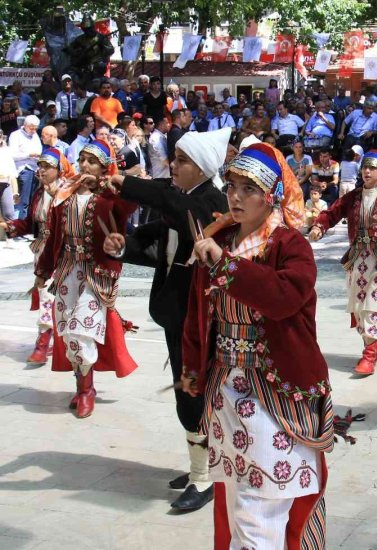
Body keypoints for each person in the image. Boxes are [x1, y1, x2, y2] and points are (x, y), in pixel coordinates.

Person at [179, 142, 333, 549]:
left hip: (274, 389)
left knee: (261, 502)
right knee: (235, 493)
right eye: (232, 185)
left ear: (271, 196)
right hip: (225, 389)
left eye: (248, 188)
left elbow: (284, 298)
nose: (235, 196)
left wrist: (226, 266)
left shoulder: (288, 245)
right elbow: (198, 312)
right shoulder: (219, 239)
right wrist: (193, 367)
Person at [99, 128, 231, 511]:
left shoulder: (209, 202)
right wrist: (125, 244)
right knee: (185, 390)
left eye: (183, 160)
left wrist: (128, 184)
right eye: (174, 157)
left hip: (202, 320)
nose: (174, 165)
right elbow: (158, 234)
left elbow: (172, 207)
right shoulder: (184, 200)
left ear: (203, 168)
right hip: (178, 315)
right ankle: (198, 467)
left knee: (194, 391)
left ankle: (205, 478)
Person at [35, 140, 140, 418]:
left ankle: (85, 392)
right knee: (68, 330)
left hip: (97, 273)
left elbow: (130, 204)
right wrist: (43, 271)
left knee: (82, 329)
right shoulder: (64, 196)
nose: (84, 166)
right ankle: (84, 385)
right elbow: (54, 236)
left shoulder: (110, 197)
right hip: (68, 270)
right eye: (82, 160)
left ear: (104, 167)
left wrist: (107, 182)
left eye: (92, 162)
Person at [308, 151, 377, 377]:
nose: (367, 171)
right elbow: (332, 212)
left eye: (372, 168)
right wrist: (319, 226)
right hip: (358, 257)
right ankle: (371, 345)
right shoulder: (353, 196)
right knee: (359, 305)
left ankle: (369, 354)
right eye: (365, 167)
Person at [1, 148, 73, 365]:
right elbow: (31, 223)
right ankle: (48, 342)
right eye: (40, 166)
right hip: (42, 251)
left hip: (63, 251)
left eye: (47, 167)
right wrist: (9, 226)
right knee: (48, 297)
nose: (41, 171)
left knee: (56, 298)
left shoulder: (68, 192)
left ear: (59, 170)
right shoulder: (38, 194)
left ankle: (52, 343)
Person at [9, 115, 42, 218]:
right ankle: (19, 226)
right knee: (23, 201)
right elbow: (12, 155)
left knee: (32, 200)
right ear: (25, 125)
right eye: (31, 128)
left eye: (35, 128)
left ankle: (26, 226)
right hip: (23, 169)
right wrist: (28, 155)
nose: (33, 130)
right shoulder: (15, 135)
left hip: (35, 169)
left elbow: (39, 150)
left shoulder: (35, 135)